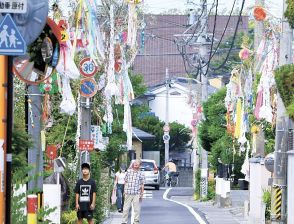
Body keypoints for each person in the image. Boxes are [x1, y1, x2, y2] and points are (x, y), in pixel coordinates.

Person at [121, 159, 145, 224]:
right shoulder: (128, 172)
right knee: (126, 208)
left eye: (137, 164)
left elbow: (142, 184)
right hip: (128, 192)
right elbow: (125, 181)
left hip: (136, 193)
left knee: (137, 209)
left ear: (139, 166)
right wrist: (124, 191)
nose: (135, 165)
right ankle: (124, 222)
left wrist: (141, 194)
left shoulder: (141, 174)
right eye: (134, 163)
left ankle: (136, 221)